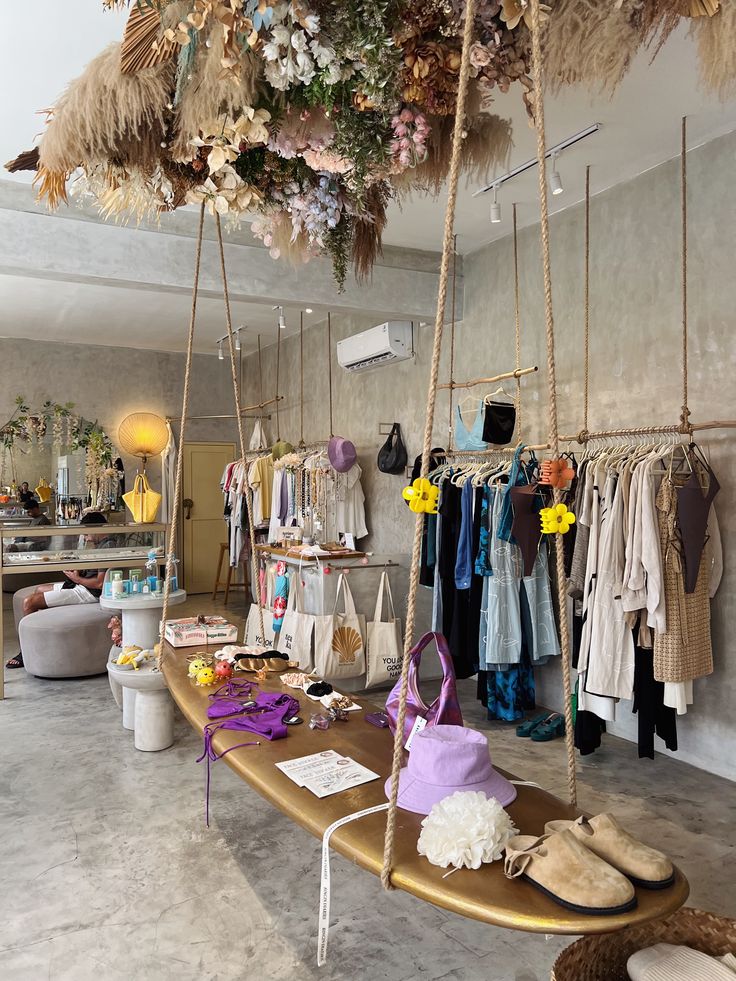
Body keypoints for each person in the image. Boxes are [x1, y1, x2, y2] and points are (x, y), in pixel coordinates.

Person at [6, 512, 111, 670]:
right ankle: (42, 639)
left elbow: (100, 583)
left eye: (87, 533)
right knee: (39, 589)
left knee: (29, 602)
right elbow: (94, 571)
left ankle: (25, 652)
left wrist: (77, 579)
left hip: (89, 592)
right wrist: (77, 571)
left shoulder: (107, 547)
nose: (86, 538)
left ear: (97, 529)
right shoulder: (100, 545)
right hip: (82, 585)